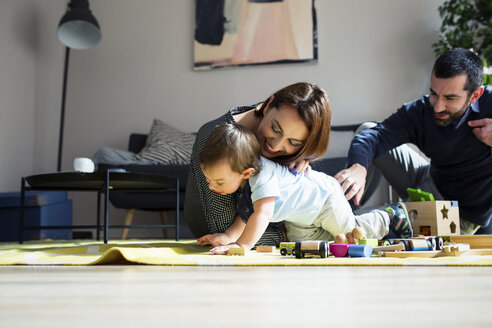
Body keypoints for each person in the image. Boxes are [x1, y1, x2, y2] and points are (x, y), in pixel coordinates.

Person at [335, 48, 492, 235]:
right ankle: (344, 211)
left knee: (372, 228)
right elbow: (373, 136)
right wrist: (358, 167)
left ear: (475, 95)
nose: (438, 106)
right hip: (429, 178)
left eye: (450, 98)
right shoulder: (423, 110)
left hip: (457, 214)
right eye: (434, 93)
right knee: (366, 129)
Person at [197, 124, 413, 253]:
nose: (211, 186)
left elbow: (262, 214)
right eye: (209, 180)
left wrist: (242, 246)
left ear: (245, 173)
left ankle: (389, 217)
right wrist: (228, 236)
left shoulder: (262, 175)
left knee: (351, 237)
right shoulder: (245, 179)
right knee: (321, 247)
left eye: (219, 182)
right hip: (302, 219)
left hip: (325, 200)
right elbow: (245, 214)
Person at [184, 82, 332, 246]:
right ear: (268, 105)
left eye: (293, 141)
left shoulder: (292, 143)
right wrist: (287, 235)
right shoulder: (214, 137)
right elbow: (221, 228)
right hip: (218, 228)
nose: (276, 146)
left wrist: (301, 155)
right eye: (275, 129)